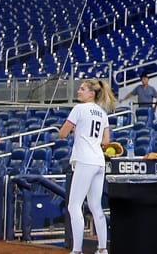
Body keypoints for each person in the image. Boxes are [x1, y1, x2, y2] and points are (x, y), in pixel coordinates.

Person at [57, 80, 116, 254]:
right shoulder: (102, 113)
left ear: (91, 94)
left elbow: (62, 134)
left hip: (84, 159)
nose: (79, 91)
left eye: (82, 89)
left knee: (74, 206)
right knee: (96, 206)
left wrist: (76, 131)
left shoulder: (78, 109)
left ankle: (76, 250)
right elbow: (105, 142)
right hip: (99, 161)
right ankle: (103, 248)